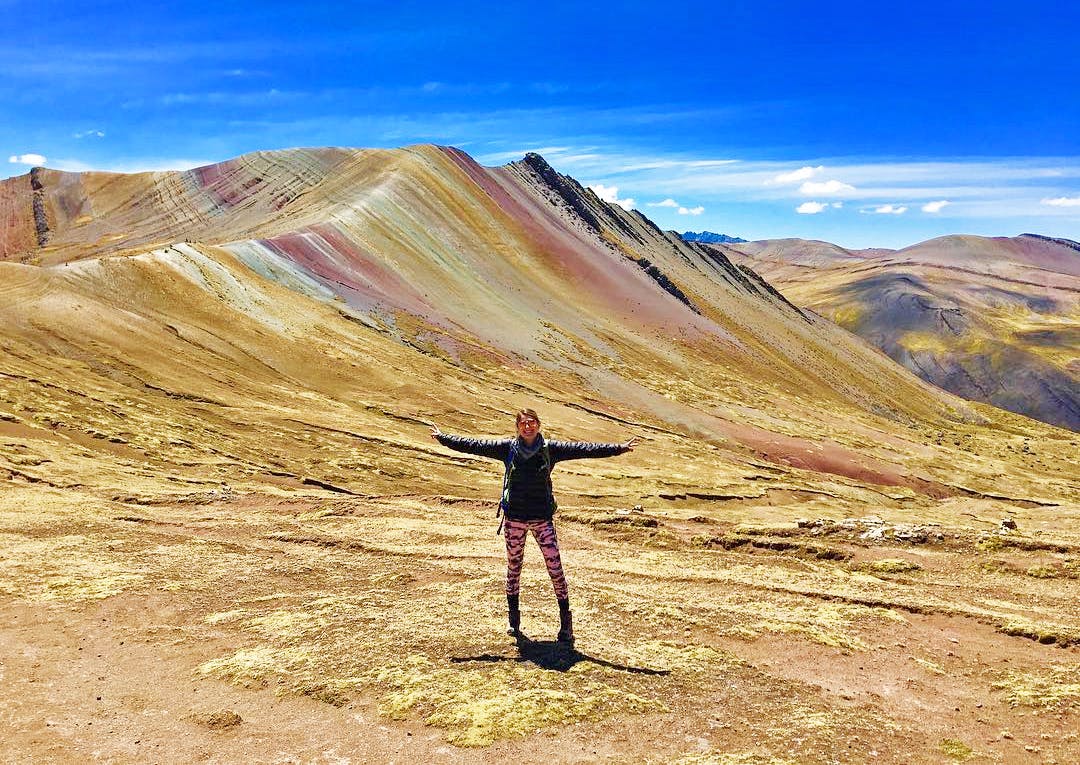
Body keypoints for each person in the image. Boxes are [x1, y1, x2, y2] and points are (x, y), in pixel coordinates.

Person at [431, 409, 637, 646]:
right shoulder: (507, 447)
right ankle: (514, 621)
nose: (527, 427)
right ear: (517, 427)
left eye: (532, 422)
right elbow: (474, 445)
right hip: (514, 519)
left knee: (556, 570)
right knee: (513, 569)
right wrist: (444, 438)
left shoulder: (551, 449)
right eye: (523, 423)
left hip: (542, 519)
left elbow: (585, 449)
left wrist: (618, 448)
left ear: (539, 424)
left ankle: (565, 625)